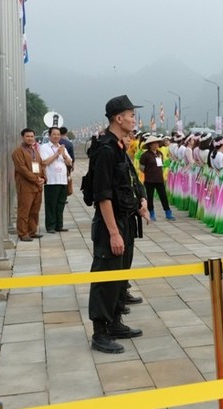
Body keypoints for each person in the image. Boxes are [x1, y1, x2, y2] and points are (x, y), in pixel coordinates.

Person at [88, 95, 149, 354]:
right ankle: (100, 333)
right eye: (131, 115)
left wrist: (141, 201)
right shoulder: (105, 150)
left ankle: (114, 322)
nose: (134, 120)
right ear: (118, 118)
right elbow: (102, 195)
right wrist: (113, 233)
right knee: (106, 276)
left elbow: (127, 183)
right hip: (110, 225)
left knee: (119, 274)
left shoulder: (119, 147)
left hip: (126, 220)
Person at [12, 128, 45, 242]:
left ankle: (32, 231)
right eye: (28, 136)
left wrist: (43, 178)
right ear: (23, 137)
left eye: (32, 136)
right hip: (25, 186)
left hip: (37, 186)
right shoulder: (18, 152)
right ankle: (22, 233)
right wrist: (36, 179)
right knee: (24, 210)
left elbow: (41, 165)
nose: (30, 138)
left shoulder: (35, 151)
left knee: (35, 210)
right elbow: (22, 169)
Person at [39, 127, 73, 233]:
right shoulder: (44, 147)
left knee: (60, 203)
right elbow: (44, 162)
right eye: (54, 134)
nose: (56, 136)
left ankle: (59, 225)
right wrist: (57, 154)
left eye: (58, 134)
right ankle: (50, 226)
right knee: (51, 204)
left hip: (62, 180)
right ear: (49, 136)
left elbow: (69, 162)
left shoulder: (62, 147)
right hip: (51, 180)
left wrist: (63, 154)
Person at [139, 135, 176, 222]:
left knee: (163, 196)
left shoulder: (160, 154)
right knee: (150, 197)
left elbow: (161, 165)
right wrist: (149, 172)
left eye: (157, 143)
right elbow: (141, 168)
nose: (156, 145)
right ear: (150, 145)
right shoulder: (145, 155)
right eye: (154, 143)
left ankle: (168, 213)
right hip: (149, 180)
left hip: (159, 179)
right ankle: (151, 213)